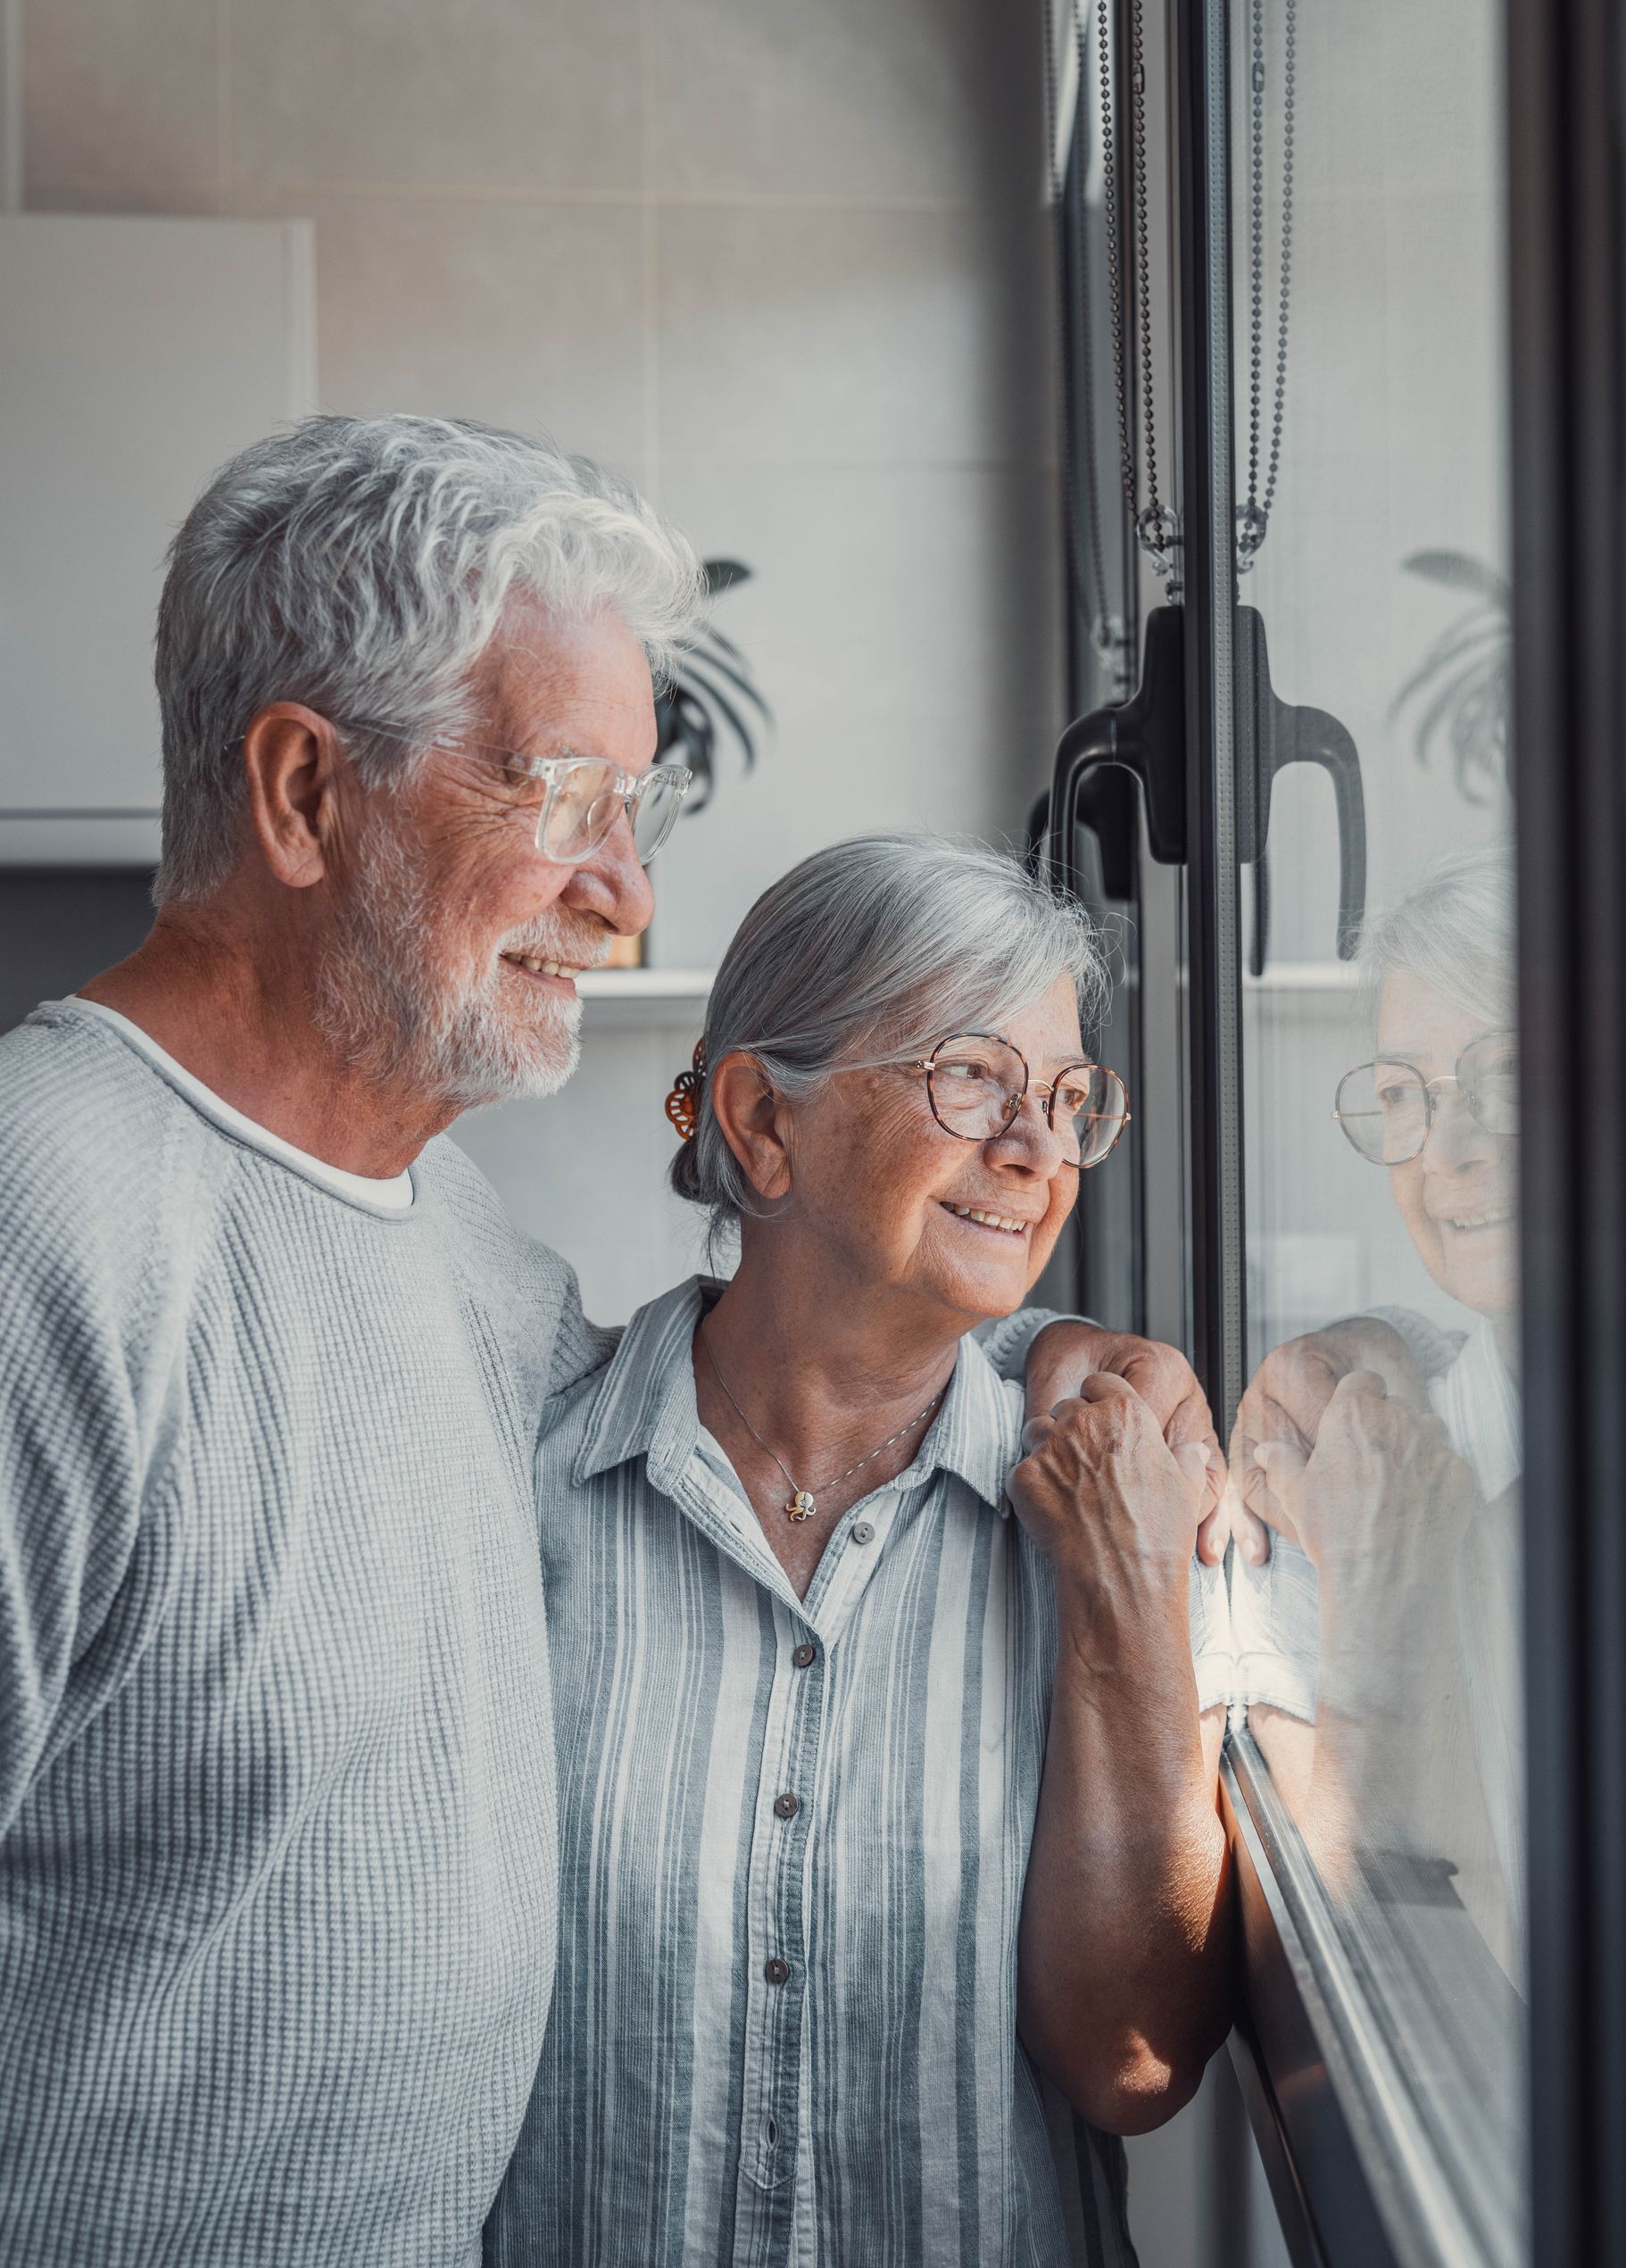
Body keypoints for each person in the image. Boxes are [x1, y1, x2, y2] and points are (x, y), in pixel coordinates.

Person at [0, 413, 1224, 2264]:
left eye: (632, 816)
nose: (626, 893)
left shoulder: (467, 1270)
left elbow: (812, 1343)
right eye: (564, 798)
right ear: (307, 794)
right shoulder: (43, 1220)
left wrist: (1076, 1354)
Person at [487, 834, 1234, 2268]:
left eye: (1070, 1100)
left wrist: (1123, 1595)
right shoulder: (524, 1482)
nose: (1033, 1149)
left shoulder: (1119, 1485)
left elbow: (1133, 2062)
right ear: (766, 1122)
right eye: (970, 1078)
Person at [1228, 852, 1521, 1975]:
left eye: (1511, 1078)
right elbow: (1333, 1957)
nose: (1451, 1151)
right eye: (1405, 1093)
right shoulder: (1319, 1472)